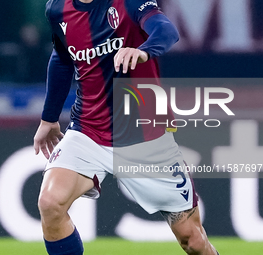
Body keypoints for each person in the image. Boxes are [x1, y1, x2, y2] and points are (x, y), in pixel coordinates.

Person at [34, 0, 219, 254]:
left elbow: (166, 30)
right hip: (88, 132)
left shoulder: (128, 2)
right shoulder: (57, 9)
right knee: (50, 203)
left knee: (193, 241)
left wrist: (144, 51)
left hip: (145, 137)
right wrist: (49, 118)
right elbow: (63, 58)